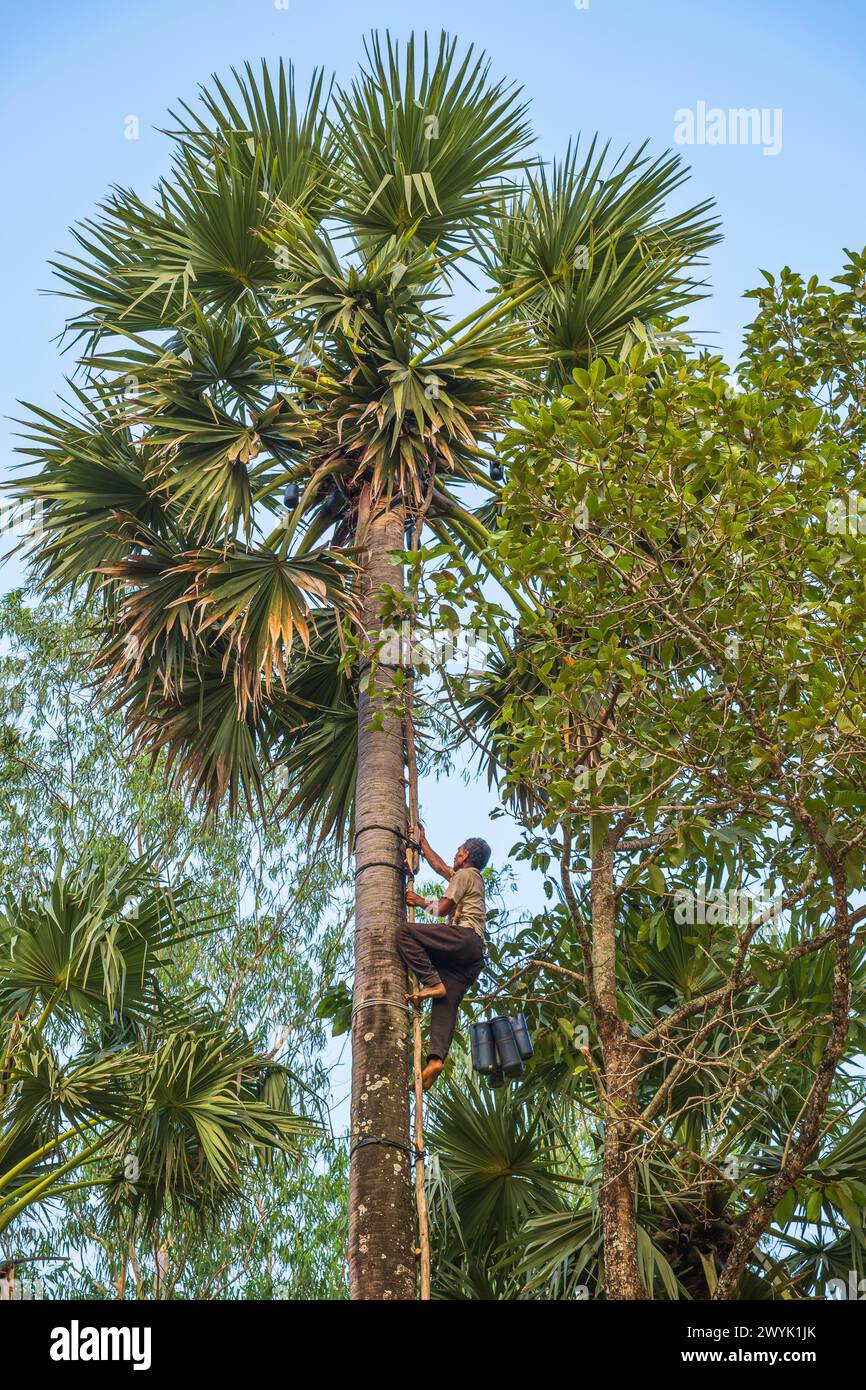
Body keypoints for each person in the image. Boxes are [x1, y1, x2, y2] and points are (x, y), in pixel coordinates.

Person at [398, 827, 491, 1091]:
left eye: (459, 851)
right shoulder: (469, 877)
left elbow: (441, 910)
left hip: (463, 938)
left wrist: (418, 902)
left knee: (404, 932)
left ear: (467, 856)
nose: (455, 854)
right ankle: (436, 1060)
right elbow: (439, 867)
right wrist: (423, 843)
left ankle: (431, 981)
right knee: (445, 1005)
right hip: (469, 960)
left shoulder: (466, 875)